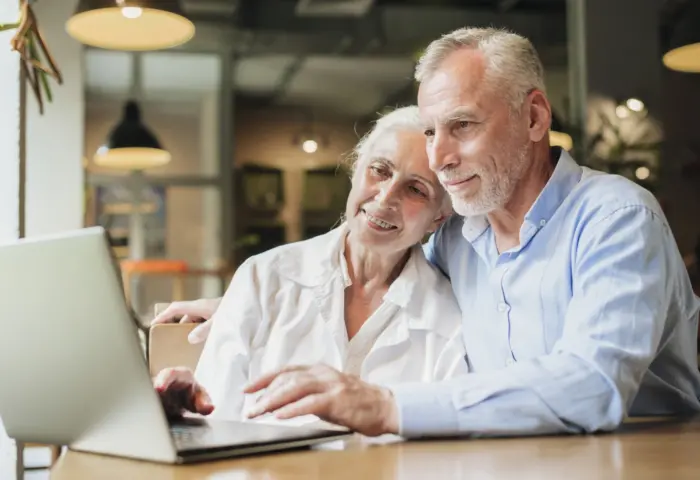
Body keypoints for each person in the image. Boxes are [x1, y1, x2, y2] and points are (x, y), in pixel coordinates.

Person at [156, 27, 700, 438]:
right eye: (431, 130)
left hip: (642, 459)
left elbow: (592, 386)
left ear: (534, 118)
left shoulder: (617, 219)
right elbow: (373, 266)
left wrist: (387, 405)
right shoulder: (457, 238)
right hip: (514, 461)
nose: (439, 158)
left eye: (462, 126)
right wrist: (246, 297)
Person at [153, 106, 468, 427]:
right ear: (356, 170)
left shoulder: (447, 319)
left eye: (416, 189)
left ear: (438, 217)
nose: (386, 197)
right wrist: (182, 411)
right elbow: (213, 422)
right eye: (380, 170)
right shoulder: (262, 278)